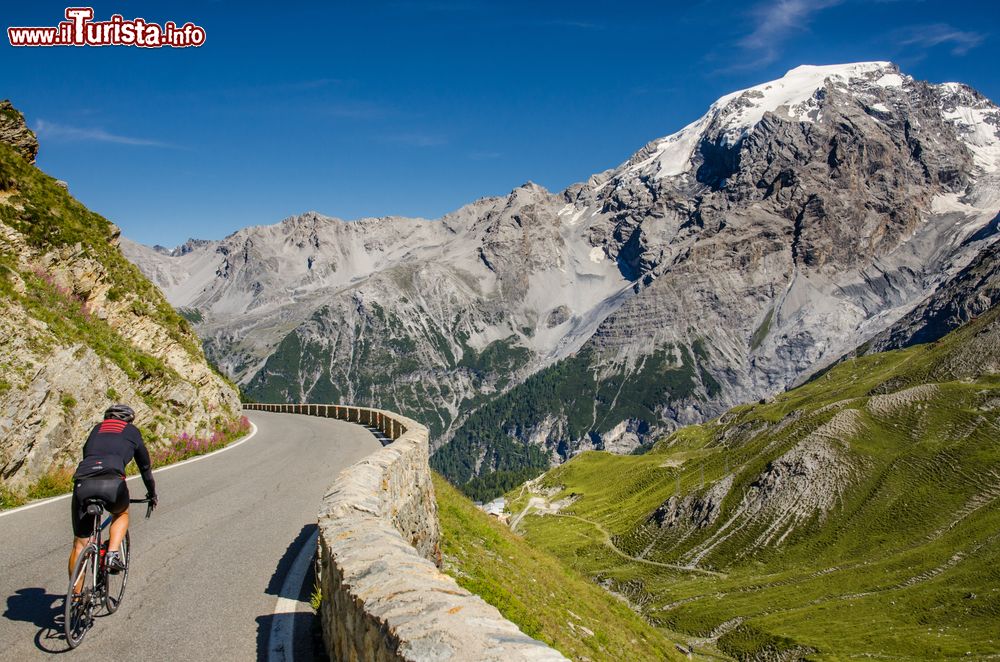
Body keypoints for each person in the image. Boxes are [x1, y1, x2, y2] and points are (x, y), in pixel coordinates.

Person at [69, 404, 157, 582]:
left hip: (83, 482)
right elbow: (145, 467)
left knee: (80, 543)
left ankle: (76, 600)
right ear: (130, 420)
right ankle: (112, 554)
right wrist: (151, 492)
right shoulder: (132, 431)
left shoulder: (96, 430)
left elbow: (87, 454)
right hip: (112, 482)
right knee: (121, 513)